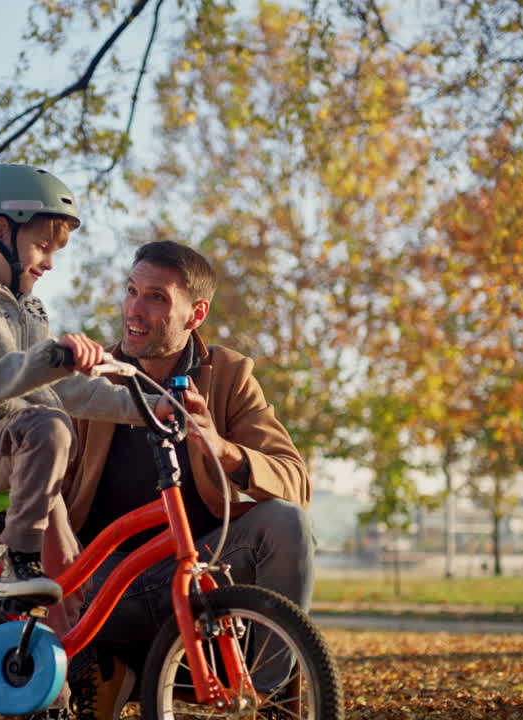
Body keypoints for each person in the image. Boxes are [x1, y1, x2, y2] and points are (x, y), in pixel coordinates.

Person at [61, 240, 314, 720]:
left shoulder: (230, 375)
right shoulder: (91, 379)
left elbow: (295, 480)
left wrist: (220, 447)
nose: (135, 308)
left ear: (196, 314)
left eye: (157, 297)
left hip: (199, 577)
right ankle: (106, 669)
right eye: (132, 291)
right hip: (102, 586)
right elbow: (42, 465)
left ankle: (265, 697)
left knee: (286, 523)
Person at [0, 163, 169, 612]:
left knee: (70, 579)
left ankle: (49, 675)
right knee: (50, 428)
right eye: (42, 246)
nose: (49, 262)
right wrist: (52, 357)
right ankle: (19, 563)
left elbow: (67, 393)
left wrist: (151, 405)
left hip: (28, 445)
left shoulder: (29, 311)